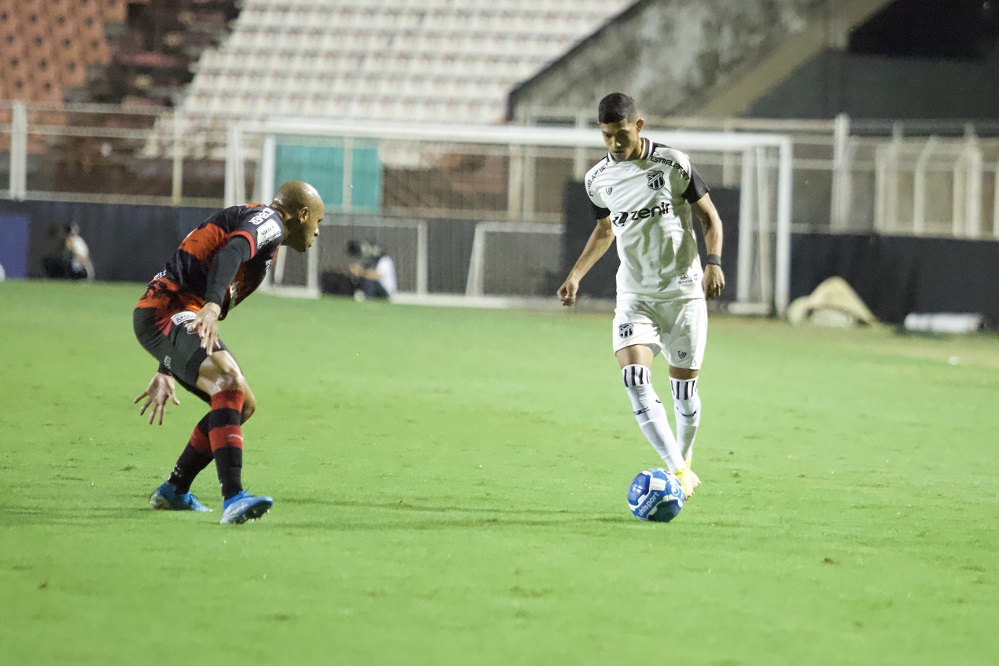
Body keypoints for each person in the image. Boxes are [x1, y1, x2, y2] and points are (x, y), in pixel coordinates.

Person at [557, 93, 725, 500]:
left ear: (639, 126)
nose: (615, 143)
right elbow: (605, 231)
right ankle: (677, 470)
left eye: (622, 133)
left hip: (683, 295)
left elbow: (709, 217)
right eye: (607, 135)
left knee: (684, 394)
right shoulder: (597, 180)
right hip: (635, 295)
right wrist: (575, 275)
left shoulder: (672, 163)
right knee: (634, 377)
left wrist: (714, 262)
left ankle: (684, 461)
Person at [133, 180, 324, 524]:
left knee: (242, 404)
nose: (317, 231)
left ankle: (175, 489)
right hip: (168, 308)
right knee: (228, 383)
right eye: (317, 222)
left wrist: (166, 365)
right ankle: (233, 498)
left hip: (175, 313)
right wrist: (211, 304)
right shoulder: (270, 221)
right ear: (303, 214)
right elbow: (232, 251)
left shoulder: (267, 234)